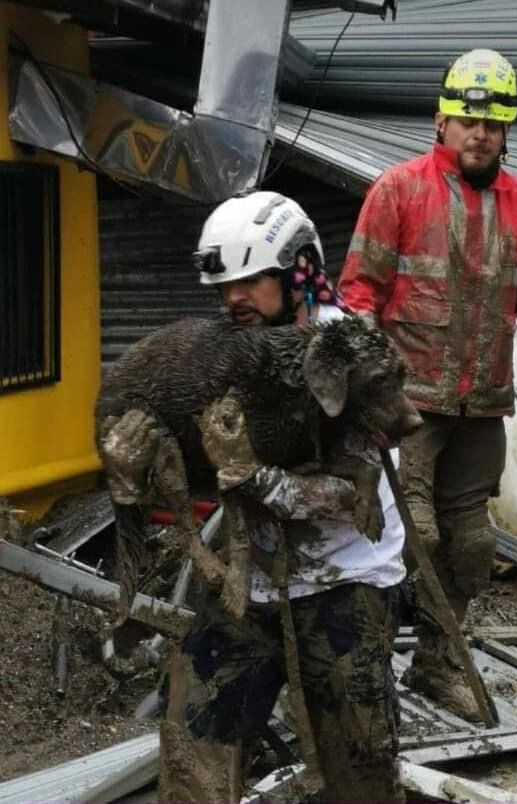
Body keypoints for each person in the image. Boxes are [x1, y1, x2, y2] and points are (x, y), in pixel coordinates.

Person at [337, 49, 517, 721]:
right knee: (411, 538)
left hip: (483, 403)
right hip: (407, 405)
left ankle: (436, 665)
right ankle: (363, 671)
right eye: (470, 121)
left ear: (506, 132)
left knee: (471, 546)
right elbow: (358, 294)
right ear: (441, 121)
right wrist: (367, 390)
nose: (481, 135)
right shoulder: (398, 190)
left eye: (494, 125)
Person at [156, 192, 406, 802]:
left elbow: (352, 497)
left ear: (299, 272)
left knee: (358, 756)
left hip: (346, 576)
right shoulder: (231, 351)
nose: (234, 298)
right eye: (226, 287)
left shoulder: (351, 353)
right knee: (194, 735)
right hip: (255, 578)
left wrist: (257, 478)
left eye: (251, 282)